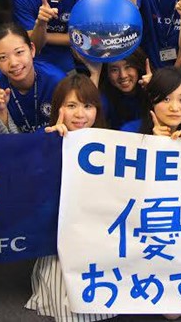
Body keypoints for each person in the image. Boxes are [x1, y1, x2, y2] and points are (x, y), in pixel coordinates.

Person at [25, 73, 113, 322]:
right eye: (71, 106)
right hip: (60, 234)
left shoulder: (111, 142)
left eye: (87, 106)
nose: (80, 114)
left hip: (100, 230)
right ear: (58, 109)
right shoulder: (46, 138)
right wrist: (51, 145)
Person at [123, 66, 181, 141]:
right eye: (166, 99)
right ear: (152, 99)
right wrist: (152, 142)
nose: (174, 108)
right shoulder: (130, 132)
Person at [97, 47, 152, 130]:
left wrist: (153, 90)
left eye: (128, 67)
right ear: (107, 73)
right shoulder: (105, 95)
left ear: (138, 67)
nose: (123, 75)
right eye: (114, 70)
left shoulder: (152, 86)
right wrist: (95, 74)